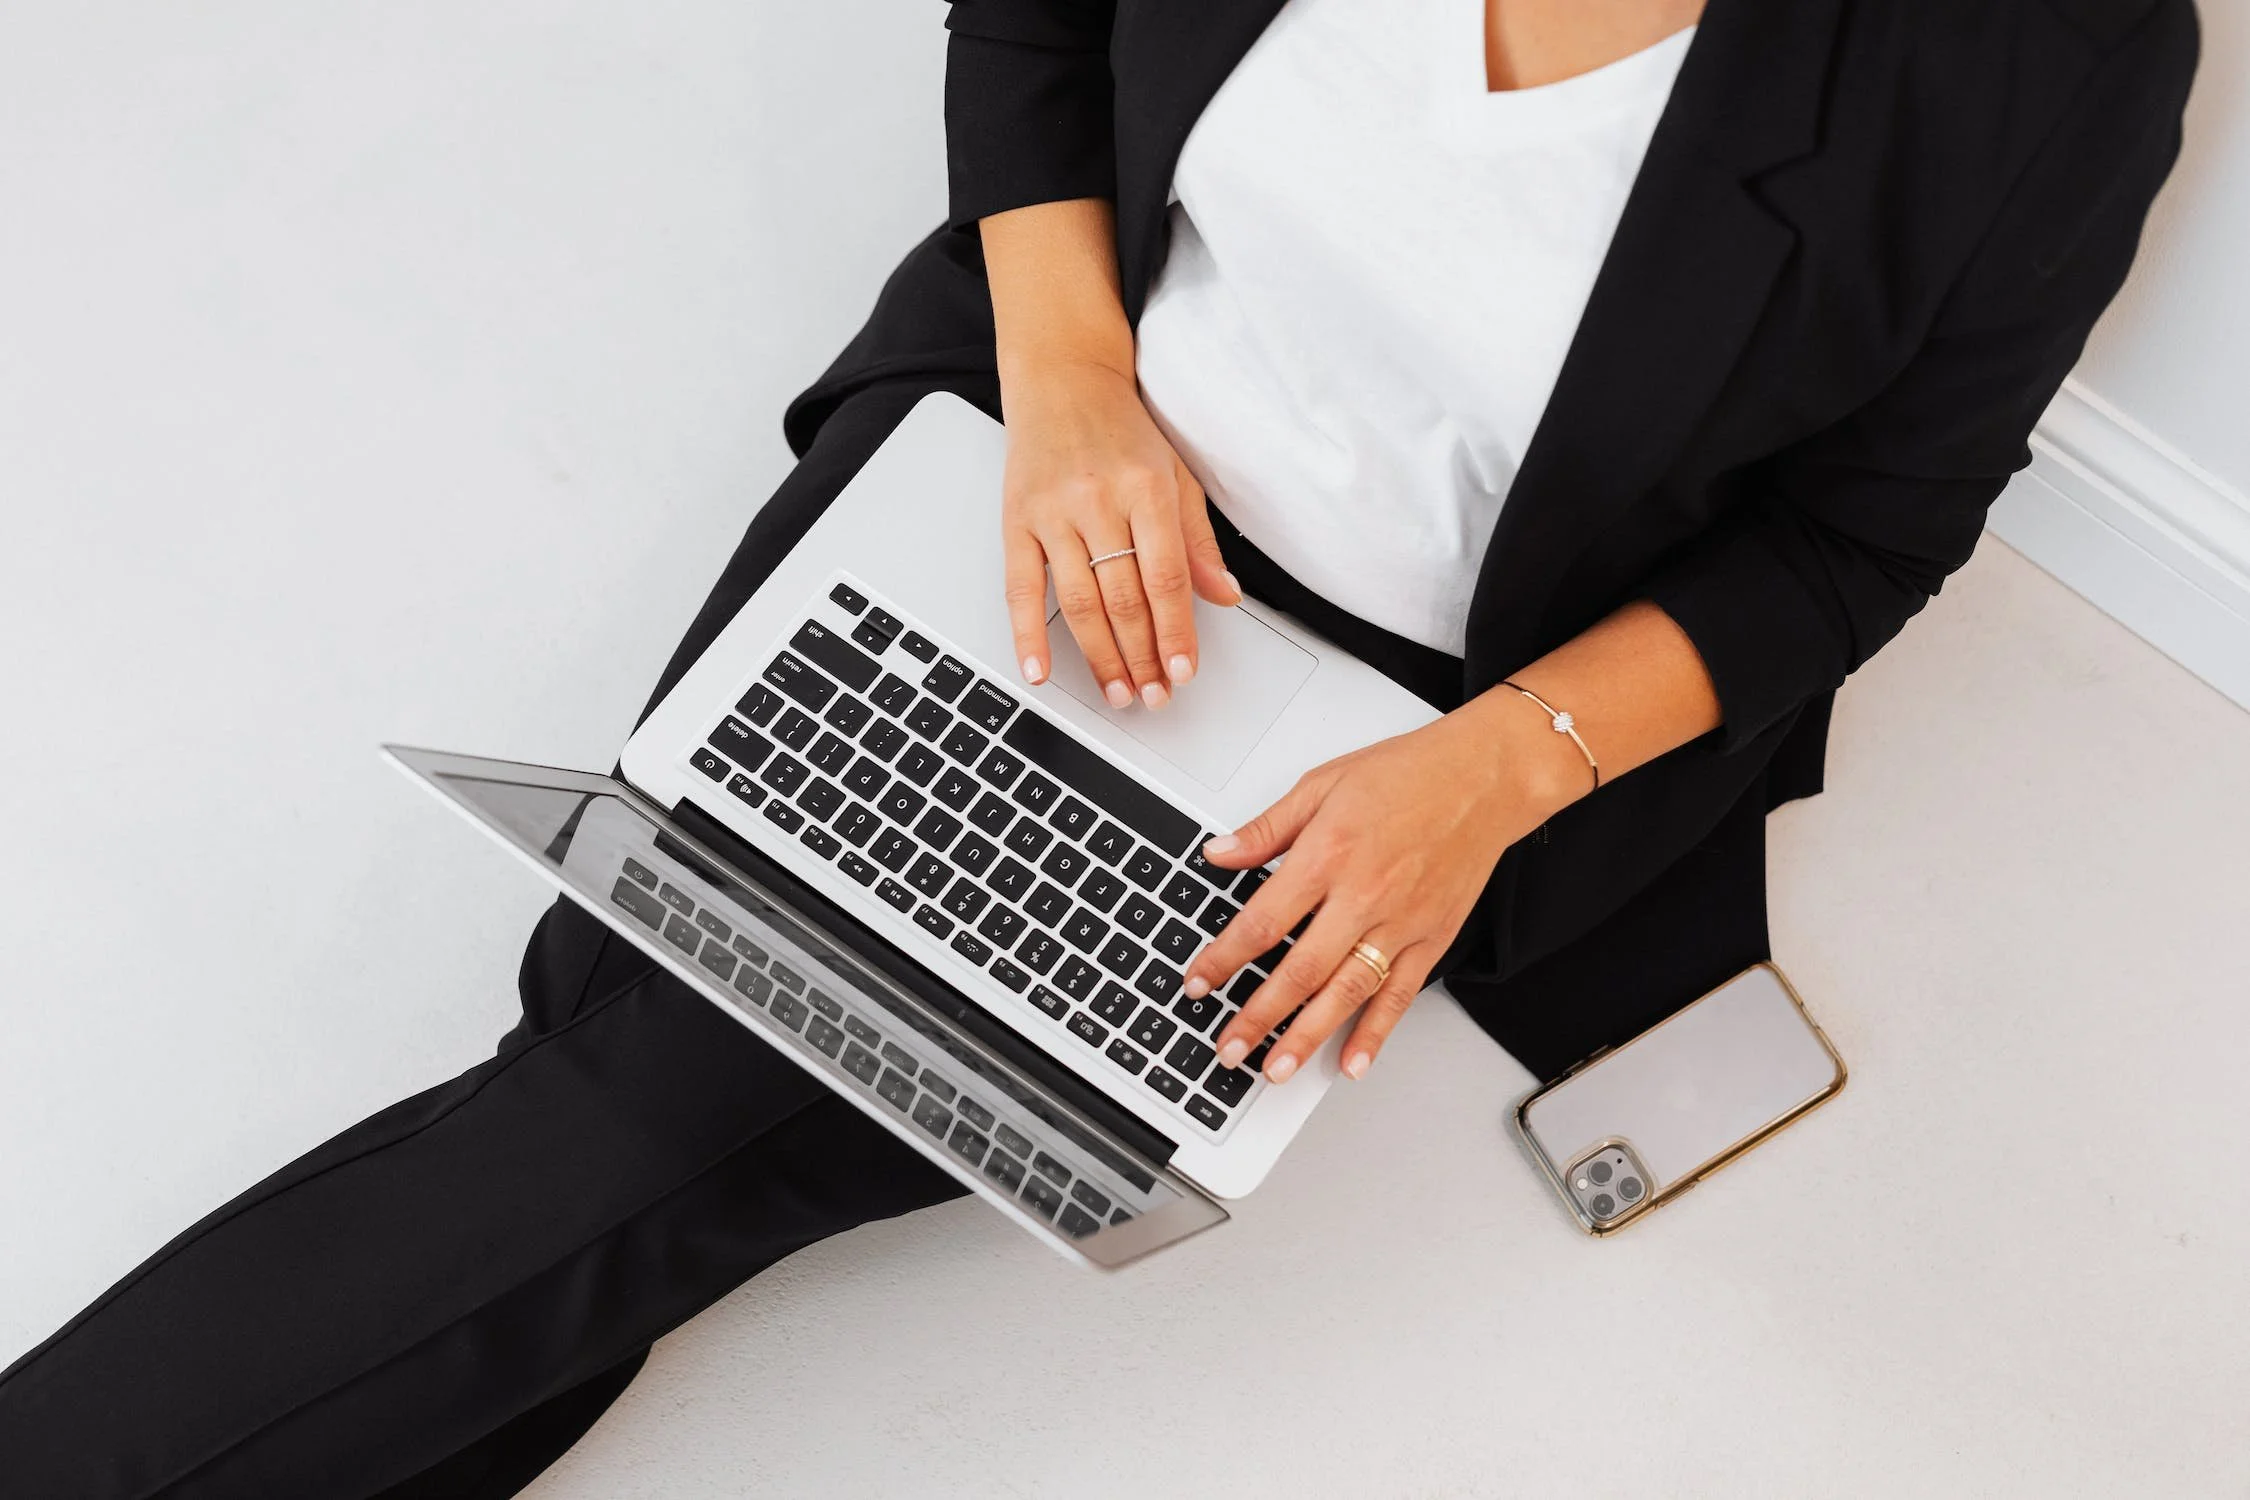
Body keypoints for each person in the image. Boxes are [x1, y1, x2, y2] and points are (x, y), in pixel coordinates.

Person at [0, 0, 2197, 1493]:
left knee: (642, 1096)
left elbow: (1868, 535)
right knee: (673, 1115)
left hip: (1398, 717)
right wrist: (1066, 388)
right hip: (1035, 464)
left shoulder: (2053, 59)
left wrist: (1500, 770)